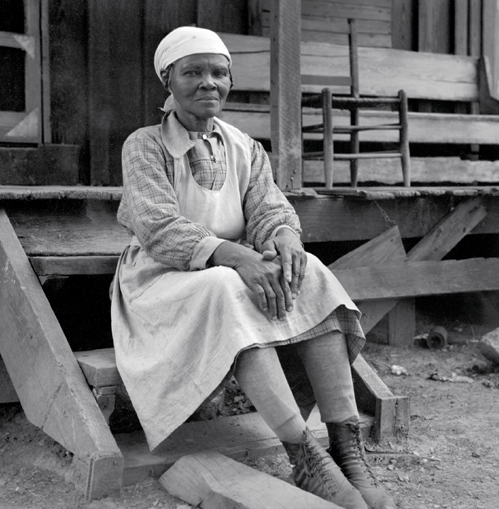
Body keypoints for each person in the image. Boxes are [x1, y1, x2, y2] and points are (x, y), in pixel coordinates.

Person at [111, 26, 395, 509]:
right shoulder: (144, 145)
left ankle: (347, 452)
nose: (208, 83)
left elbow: (269, 210)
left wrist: (285, 241)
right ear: (168, 80)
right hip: (162, 282)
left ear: (229, 80)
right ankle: (304, 457)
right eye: (192, 73)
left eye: (218, 73)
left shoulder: (245, 146)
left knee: (314, 275)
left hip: (229, 273)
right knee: (224, 282)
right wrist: (238, 256)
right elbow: (157, 227)